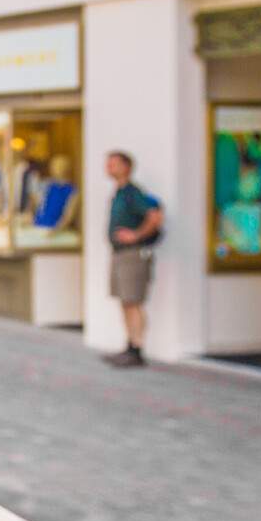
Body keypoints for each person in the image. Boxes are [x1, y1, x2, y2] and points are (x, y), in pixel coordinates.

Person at [102, 150, 162, 369]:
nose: (108, 168)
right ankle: (129, 346)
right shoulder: (119, 192)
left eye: (113, 164)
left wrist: (136, 235)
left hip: (133, 255)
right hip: (119, 254)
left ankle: (137, 348)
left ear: (126, 167)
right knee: (125, 301)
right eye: (108, 164)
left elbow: (155, 215)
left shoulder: (132, 192)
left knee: (133, 301)